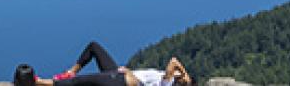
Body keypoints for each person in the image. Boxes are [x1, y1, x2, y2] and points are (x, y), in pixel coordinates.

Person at [13, 41, 192, 86]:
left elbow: (173, 62)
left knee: (81, 83)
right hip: (120, 76)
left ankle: (36, 82)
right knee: (94, 47)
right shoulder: (168, 78)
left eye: (183, 81)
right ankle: (71, 71)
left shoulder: (168, 82)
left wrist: (184, 75)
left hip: (121, 82)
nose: (181, 77)